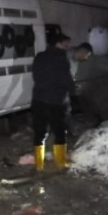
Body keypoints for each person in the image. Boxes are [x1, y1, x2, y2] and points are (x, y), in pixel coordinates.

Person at [31, 33, 72, 171]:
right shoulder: (62, 58)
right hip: (56, 101)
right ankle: (61, 163)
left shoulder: (40, 56)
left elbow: (35, 75)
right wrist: (73, 93)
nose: (68, 46)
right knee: (60, 132)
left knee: (40, 133)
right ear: (58, 43)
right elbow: (65, 79)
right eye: (66, 43)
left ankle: (39, 164)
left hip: (38, 99)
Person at [68, 42, 93, 116]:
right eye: (87, 55)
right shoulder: (66, 57)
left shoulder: (76, 61)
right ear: (82, 51)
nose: (86, 59)